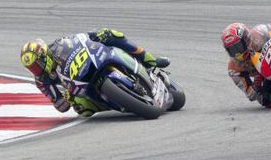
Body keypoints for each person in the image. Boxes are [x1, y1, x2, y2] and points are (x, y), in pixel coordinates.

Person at [20, 28, 170, 117]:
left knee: (112, 34)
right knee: (82, 109)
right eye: (32, 68)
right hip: (79, 87)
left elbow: (81, 38)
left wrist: (95, 34)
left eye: (36, 65)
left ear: (43, 56)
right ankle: (121, 103)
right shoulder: (41, 81)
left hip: (91, 62)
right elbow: (60, 106)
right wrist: (66, 98)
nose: (36, 70)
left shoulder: (57, 46)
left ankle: (151, 61)